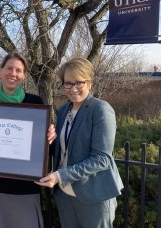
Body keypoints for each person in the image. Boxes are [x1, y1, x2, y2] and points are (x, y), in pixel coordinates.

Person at [37, 57, 124, 228]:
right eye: (68, 83)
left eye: (79, 83)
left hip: (93, 196)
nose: (73, 89)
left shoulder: (100, 109)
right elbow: (63, 149)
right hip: (65, 194)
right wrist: (48, 140)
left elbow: (101, 159)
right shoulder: (64, 110)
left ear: (89, 82)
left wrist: (61, 175)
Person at [0, 52, 56, 228]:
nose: (13, 73)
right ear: (0, 70)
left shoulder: (35, 103)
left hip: (24, 190)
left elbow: (46, 150)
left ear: (24, 75)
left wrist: (50, 138)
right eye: (9, 68)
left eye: (18, 70)